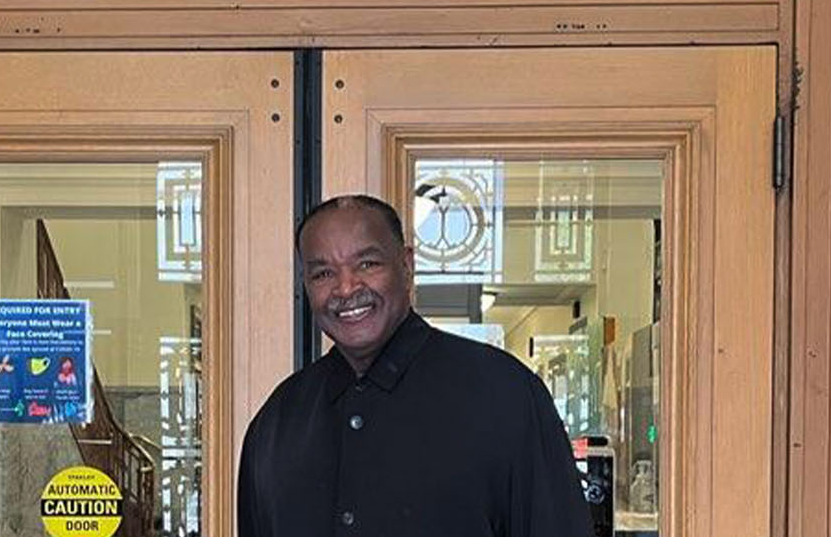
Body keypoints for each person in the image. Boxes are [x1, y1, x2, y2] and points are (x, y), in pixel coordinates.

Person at [237, 194, 592, 537]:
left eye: (367, 264)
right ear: (306, 287)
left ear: (406, 266)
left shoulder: (505, 395)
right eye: (323, 274)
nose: (346, 289)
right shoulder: (277, 422)